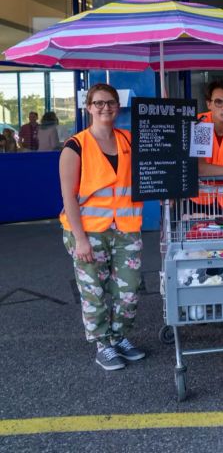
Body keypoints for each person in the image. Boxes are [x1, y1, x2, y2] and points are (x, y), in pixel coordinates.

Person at [59, 84, 145, 371]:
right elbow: (69, 197)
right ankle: (103, 344)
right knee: (93, 291)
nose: (105, 107)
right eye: (98, 103)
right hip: (88, 231)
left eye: (110, 103)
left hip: (125, 228)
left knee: (129, 289)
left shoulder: (129, 140)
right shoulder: (75, 146)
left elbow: (161, 157)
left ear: (118, 107)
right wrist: (80, 239)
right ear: (88, 107)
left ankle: (119, 337)